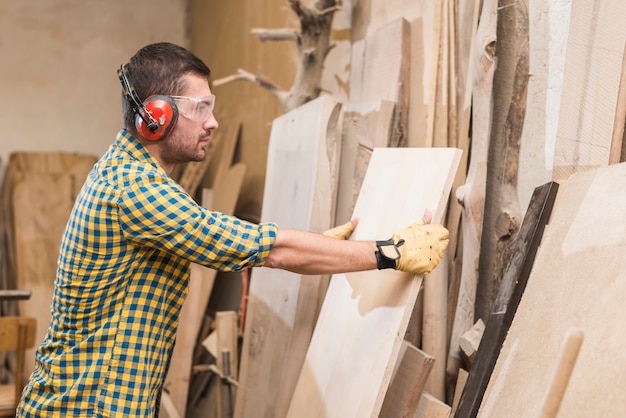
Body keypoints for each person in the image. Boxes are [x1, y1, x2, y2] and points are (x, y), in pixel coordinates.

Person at [17, 42, 449, 417]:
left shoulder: (133, 175)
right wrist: (390, 251)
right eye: (200, 108)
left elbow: (232, 240)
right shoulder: (135, 190)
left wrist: (317, 246)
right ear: (155, 116)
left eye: (212, 108)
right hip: (84, 408)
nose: (212, 122)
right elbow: (269, 250)